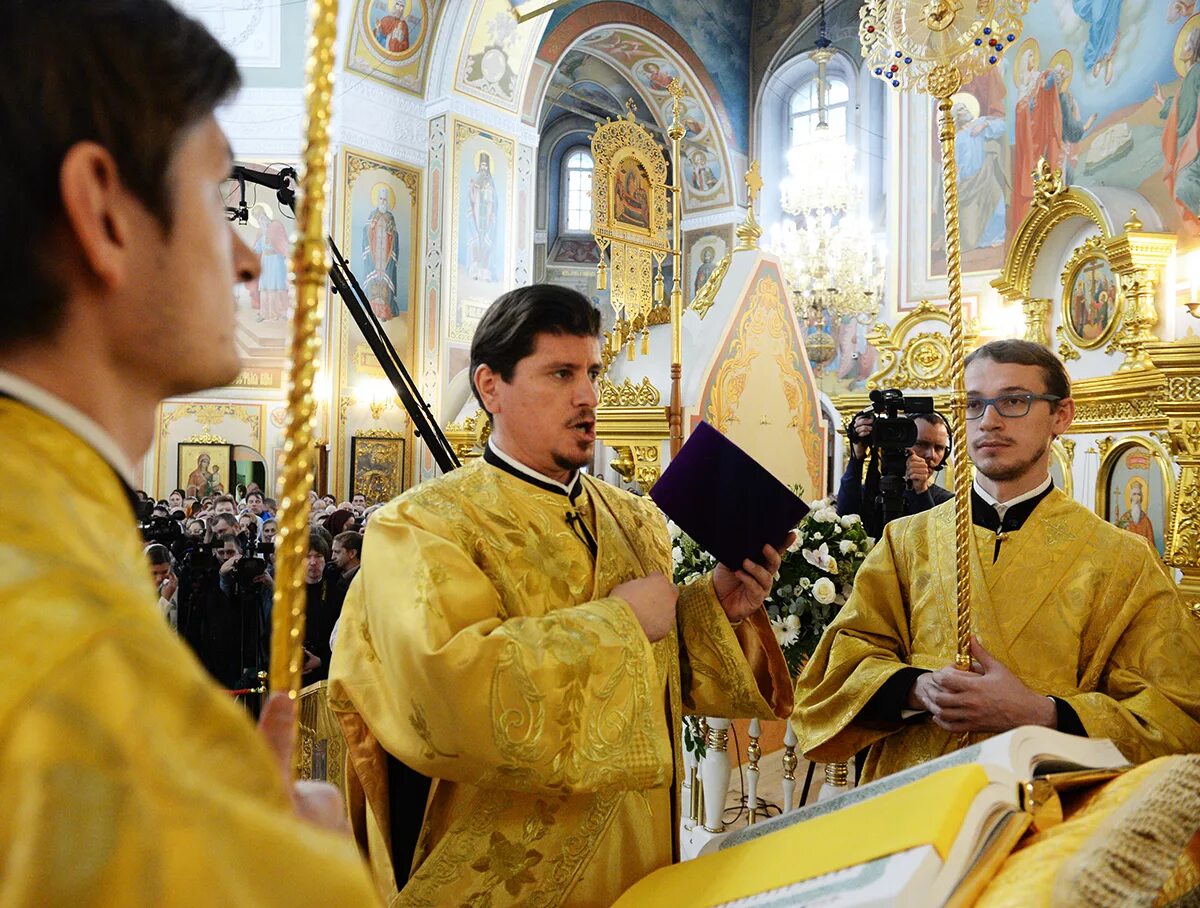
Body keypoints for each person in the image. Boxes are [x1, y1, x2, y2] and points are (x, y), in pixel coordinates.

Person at [0, 1, 379, 902]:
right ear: (104, 212)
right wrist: (306, 860)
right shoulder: (81, 650)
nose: (251, 259)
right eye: (219, 196)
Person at [329, 284, 794, 906]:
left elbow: (656, 686)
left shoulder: (635, 518)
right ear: (490, 386)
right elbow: (448, 688)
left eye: (593, 372)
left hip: (639, 852)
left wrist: (712, 608)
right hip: (511, 869)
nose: (587, 396)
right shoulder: (422, 525)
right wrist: (623, 622)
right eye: (560, 373)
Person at [793, 340, 1200, 783]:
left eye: (1014, 401)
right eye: (973, 404)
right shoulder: (907, 540)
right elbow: (837, 669)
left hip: (1052, 808)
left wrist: (1040, 713)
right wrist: (918, 687)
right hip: (912, 798)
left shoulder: (1121, 558)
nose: (989, 420)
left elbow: (1174, 715)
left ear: (1060, 415)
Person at [836, 409, 953, 540]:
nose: (931, 455)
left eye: (939, 448)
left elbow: (936, 543)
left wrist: (922, 491)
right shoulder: (870, 492)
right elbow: (844, 519)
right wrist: (857, 459)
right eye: (921, 444)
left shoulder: (948, 502)